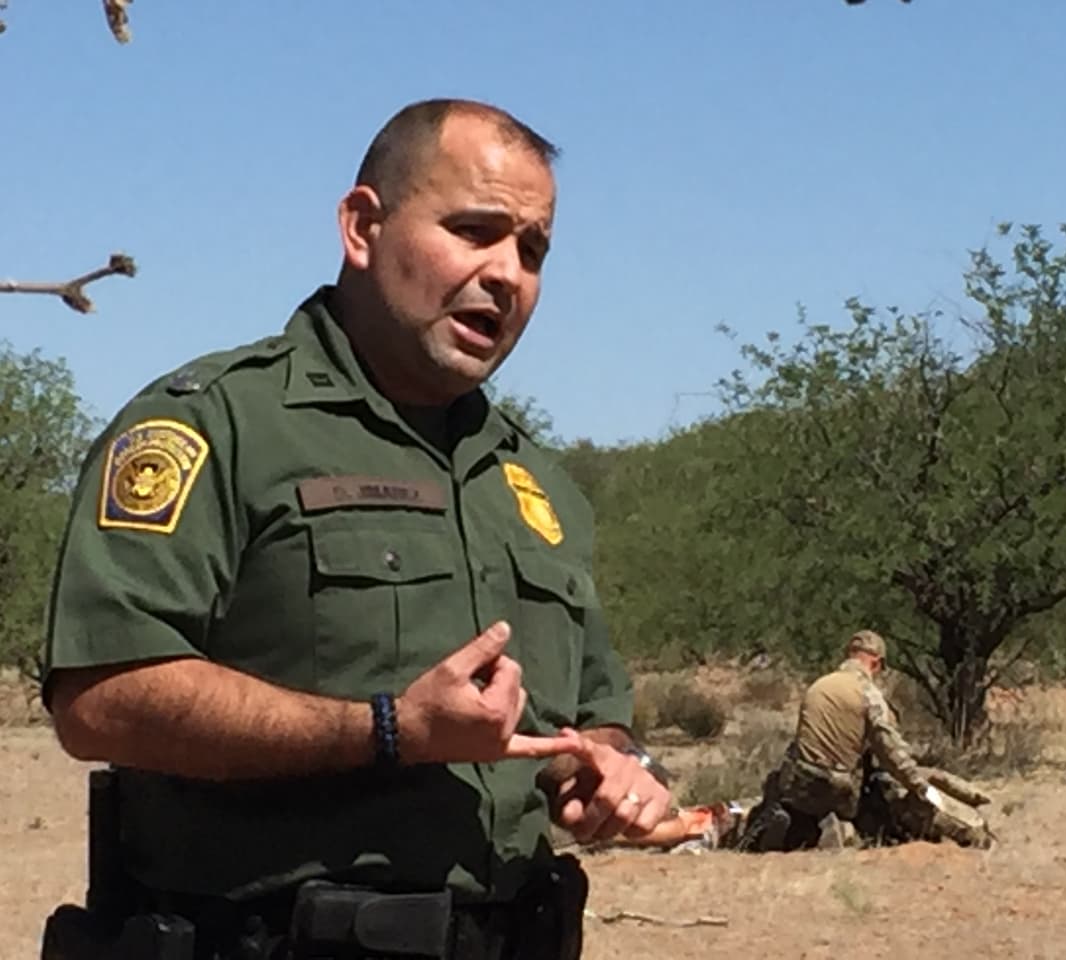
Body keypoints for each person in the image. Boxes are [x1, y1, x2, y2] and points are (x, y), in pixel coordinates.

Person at [39, 98, 671, 960]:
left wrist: (602, 771)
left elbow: (591, 720)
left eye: (532, 250)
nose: (507, 274)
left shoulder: (538, 484)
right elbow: (100, 700)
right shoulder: (220, 426)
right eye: (475, 230)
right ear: (362, 226)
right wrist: (386, 730)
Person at [737, 629, 939, 852]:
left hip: (798, 780)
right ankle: (843, 830)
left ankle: (779, 823)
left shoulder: (819, 685)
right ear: (877, 663)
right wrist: (920, 786)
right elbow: (891, 753)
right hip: (837, 788)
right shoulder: (869, 695)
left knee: (782, 786)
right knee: (869, 800)